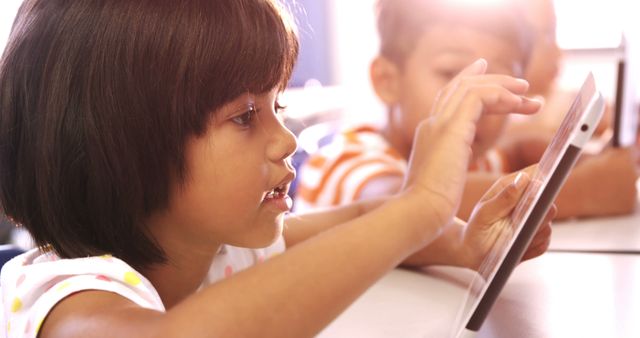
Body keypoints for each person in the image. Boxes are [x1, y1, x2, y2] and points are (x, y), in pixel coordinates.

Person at [0, 1, 552, 337]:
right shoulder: (67, 292)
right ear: (117, 145)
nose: (285, 140)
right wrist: (420, 205)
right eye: (245, 116)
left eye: (277, 108)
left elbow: (362, 216)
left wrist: (462, 244)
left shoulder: (224, 249)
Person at [295, 0, 638, 220]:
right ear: (387, 80)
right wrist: (583, 190)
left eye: (500, 81)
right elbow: (405, 207)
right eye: (451, 74)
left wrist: (589, 161)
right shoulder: (348, 162)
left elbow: (519, 150)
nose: (482, 100)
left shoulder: (474, 159)